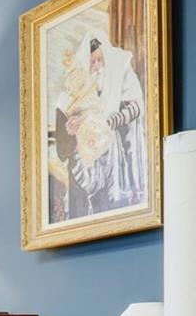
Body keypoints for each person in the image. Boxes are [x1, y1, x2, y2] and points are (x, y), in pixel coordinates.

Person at [58, 34, 147, 217]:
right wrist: (73, 133)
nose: (97, 66)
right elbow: (63, 148)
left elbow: (137, 107)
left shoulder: (116, 85)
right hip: (83, 167)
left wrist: (106, 123)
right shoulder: (70, 96)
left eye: (100, 60)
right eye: (92, 62)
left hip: (111, 163)